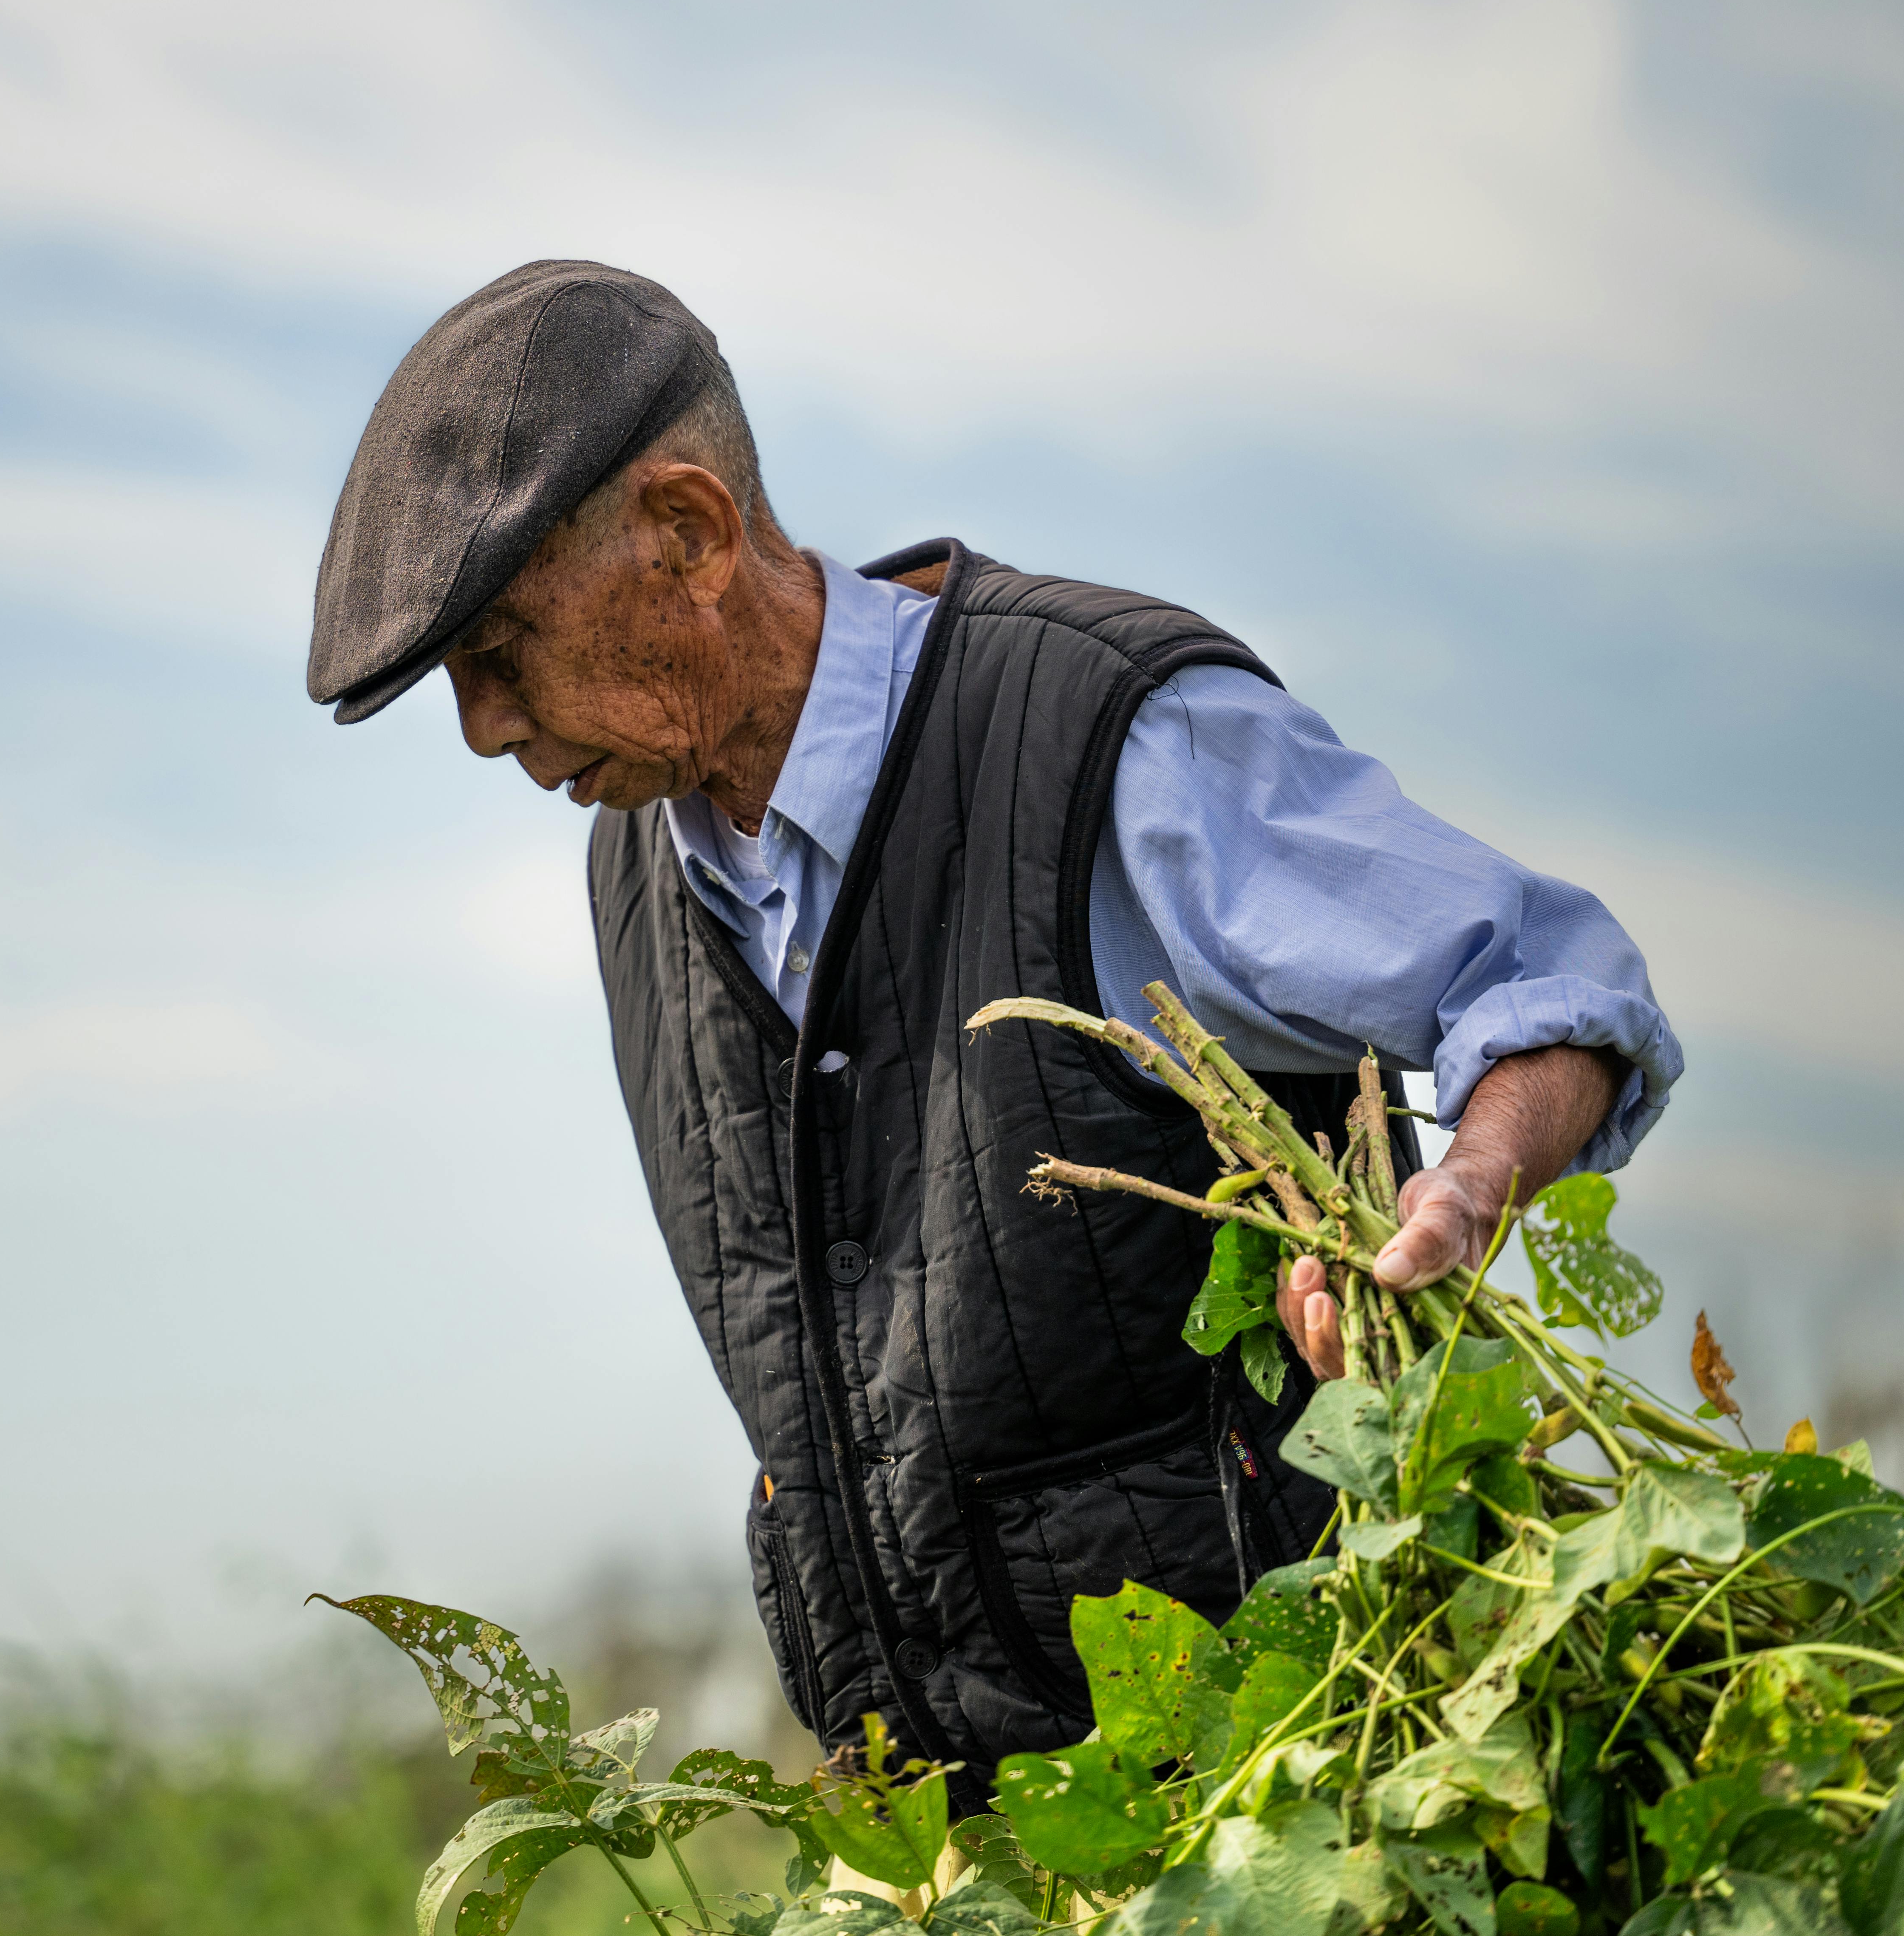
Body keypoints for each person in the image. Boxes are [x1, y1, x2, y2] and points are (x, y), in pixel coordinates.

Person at [308, 259, 1680, 1788]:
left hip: (1304, 1786)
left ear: (688, 535)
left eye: (501, 650)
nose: (486, 725)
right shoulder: (632, 871)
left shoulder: (1100, 732)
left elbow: (1553, 985)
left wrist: (1466, 1191)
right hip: (979, 1851)